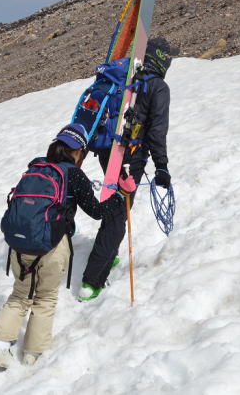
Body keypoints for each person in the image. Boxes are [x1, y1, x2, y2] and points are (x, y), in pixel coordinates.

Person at [0, 123, 135, 368]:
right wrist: (120, 196)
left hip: (19, 245)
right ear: (78, 151)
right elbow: (97, 212)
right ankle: (33, 354)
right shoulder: (72, 173)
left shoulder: (36, 166)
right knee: (45, 298)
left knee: (20, 295)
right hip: (52, 246)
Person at [78, 36, 178, 301]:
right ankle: (92, 281)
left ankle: (107, 257)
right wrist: (162, 168)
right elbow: (157, 131)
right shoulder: (158, 88)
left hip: (106, 149)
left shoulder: (126, 78)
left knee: (116, 207)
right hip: (129, 156)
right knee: (117, 214)